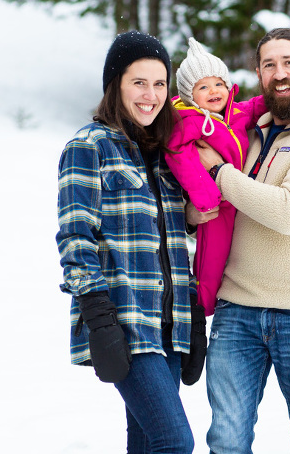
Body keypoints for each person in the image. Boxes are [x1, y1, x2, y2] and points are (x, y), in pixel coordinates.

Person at [186, 28, 290, 454]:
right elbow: (223, 206)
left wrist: (218, 173)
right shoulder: (245, 131)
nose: (279, 73)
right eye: (268, 65)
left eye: (288, 63)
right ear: (259, 75)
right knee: (226, 440)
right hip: (236, 311)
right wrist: (193, 215)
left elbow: (287, 211)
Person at [56, 30, 206, 453]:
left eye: (159, 83)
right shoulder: (89, 146)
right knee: (174, 442)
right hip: (124, 323)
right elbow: (74, 236)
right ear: (115, 84)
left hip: (169, 326)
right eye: (138, 82)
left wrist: (192, 315)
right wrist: (100, 318)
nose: (151, 94)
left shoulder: (168, 156)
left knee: (146, 443)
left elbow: (176, 241)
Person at [166, 37, 266, 317]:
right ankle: (202, 308)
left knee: (240, 255)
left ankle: (236, 297)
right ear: (189, 94)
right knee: (212, 255)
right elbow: (179, 155)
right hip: (216, 203)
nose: (214, 91)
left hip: (241, 195)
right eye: (203, 86)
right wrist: (206, 196)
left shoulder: (235, 113)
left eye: (219, 83)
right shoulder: (190, 121)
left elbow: (257, 106)